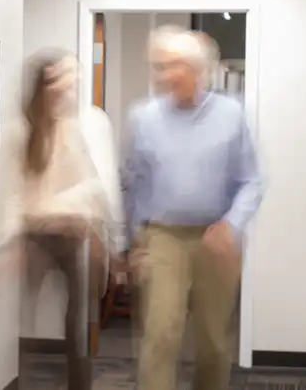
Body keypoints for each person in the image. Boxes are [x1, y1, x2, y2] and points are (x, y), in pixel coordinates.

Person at [124, 25, 263, 390]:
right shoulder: (143, 117)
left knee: (213, 342)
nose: (163, 75)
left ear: (197, 70)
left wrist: (232, 224)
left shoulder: (231, 115)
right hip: (162, 236)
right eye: (158, 66)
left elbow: (251, 181)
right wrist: (134, 239)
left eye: (172, 66)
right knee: (161, 334)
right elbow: (135, 182)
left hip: (216, 238)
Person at [0, 49, 126, 390]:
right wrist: (5, 245)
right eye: (59, 79)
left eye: (70, 79)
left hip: (73, 234)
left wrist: (103, 237)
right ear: (43, 86)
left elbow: (93, 184)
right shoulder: (20, 133)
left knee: (78, 327)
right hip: (34, 236)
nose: (68, 87)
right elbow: (13, 194)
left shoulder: (74, 129)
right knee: (21, 325)